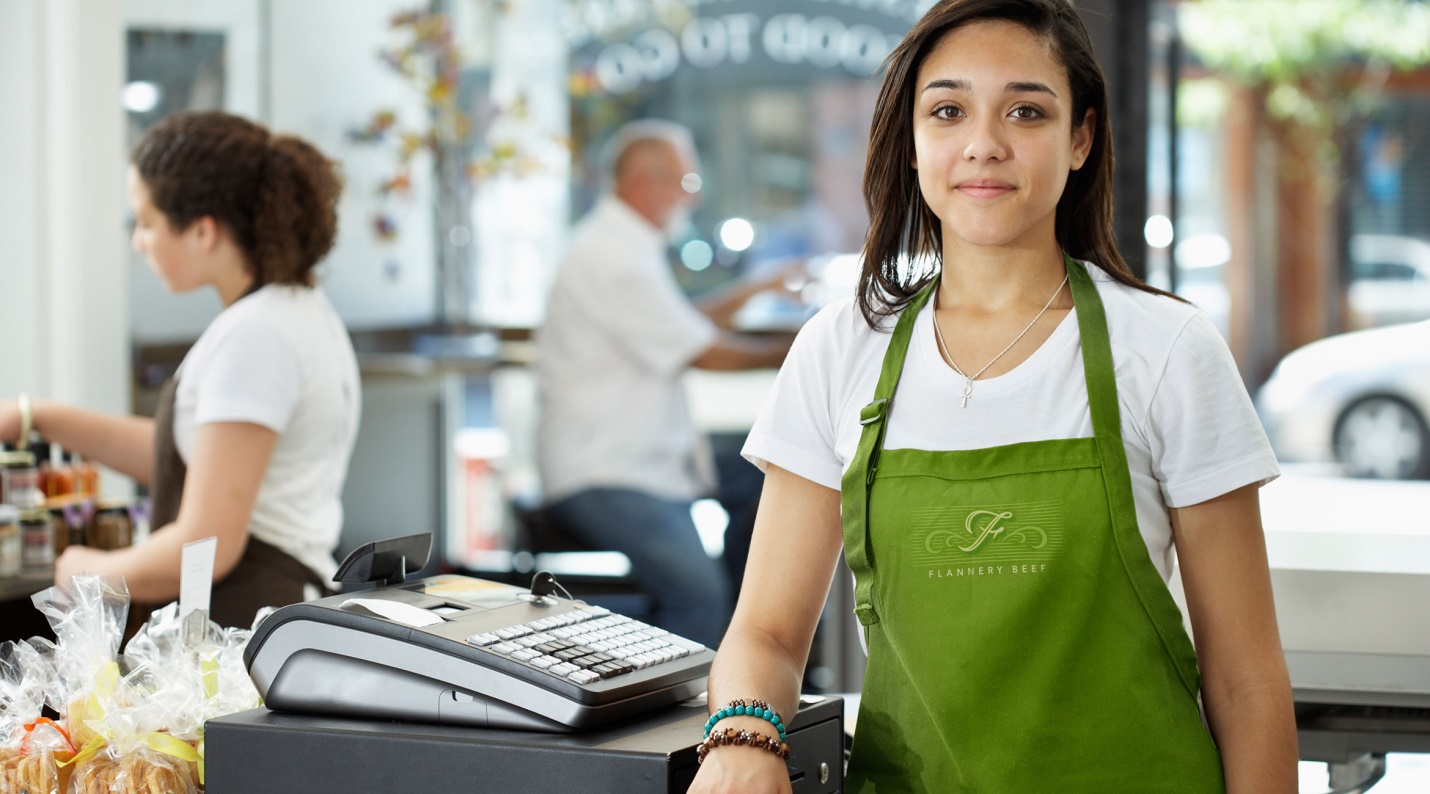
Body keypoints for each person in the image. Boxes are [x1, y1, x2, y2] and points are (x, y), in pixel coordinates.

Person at [690, 1, 1298, 791]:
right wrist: (745, 736)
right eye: (947, 110)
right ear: (910, 143)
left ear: (1080, 138)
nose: (984, 144)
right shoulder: (841, 350)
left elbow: (1245, 681)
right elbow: (767, 633)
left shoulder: (1167, 348)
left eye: (1026, 111)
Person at [0, 111, 360, 630]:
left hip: (247, 621)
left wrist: (92, 570)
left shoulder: (256, 336)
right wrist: (38, 416)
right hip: (279, 606)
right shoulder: (297, 311)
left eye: (146, 223)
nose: (138, 242)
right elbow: (201, 460)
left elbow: (207, 543)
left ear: (202, 230)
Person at [536, 120, 797, 648]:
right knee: (698, 596)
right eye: (687, 182)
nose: (690, 197)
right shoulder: (614, 259)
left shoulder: (622, 246)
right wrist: (810, 348)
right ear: (644, 182)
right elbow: (702, 351)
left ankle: (747, 625)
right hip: (607, 471)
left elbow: (680, 322)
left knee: (765, 472)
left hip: (639, 459)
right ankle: (670, 721)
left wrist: (756, 289)